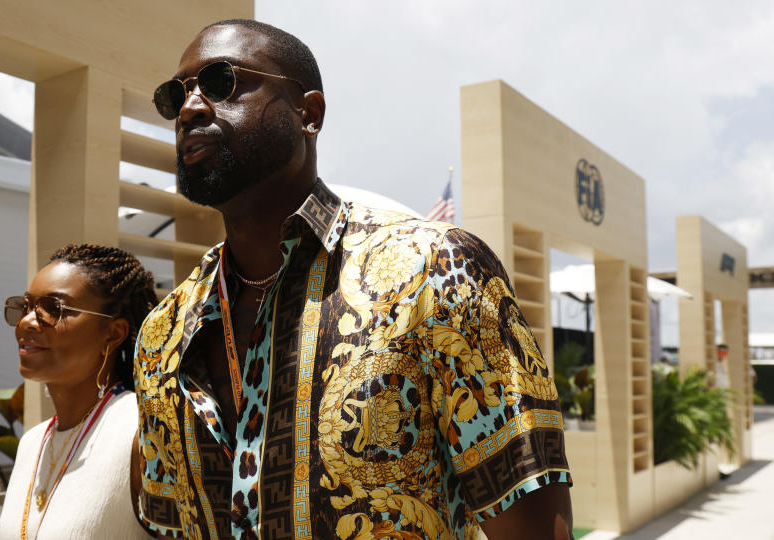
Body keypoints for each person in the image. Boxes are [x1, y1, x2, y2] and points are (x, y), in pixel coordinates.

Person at [134, 19, 574, 540]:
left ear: (309, 114)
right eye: (174, 95)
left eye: (221, 82)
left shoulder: (435, 272)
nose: (190, 109)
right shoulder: (163, 333)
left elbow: (532, 526)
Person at [0, 244, 156, 539]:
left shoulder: (141, 432)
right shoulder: (32, 442)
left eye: (53, 309)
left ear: (113, 333)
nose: (27, 322)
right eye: (27, 306)